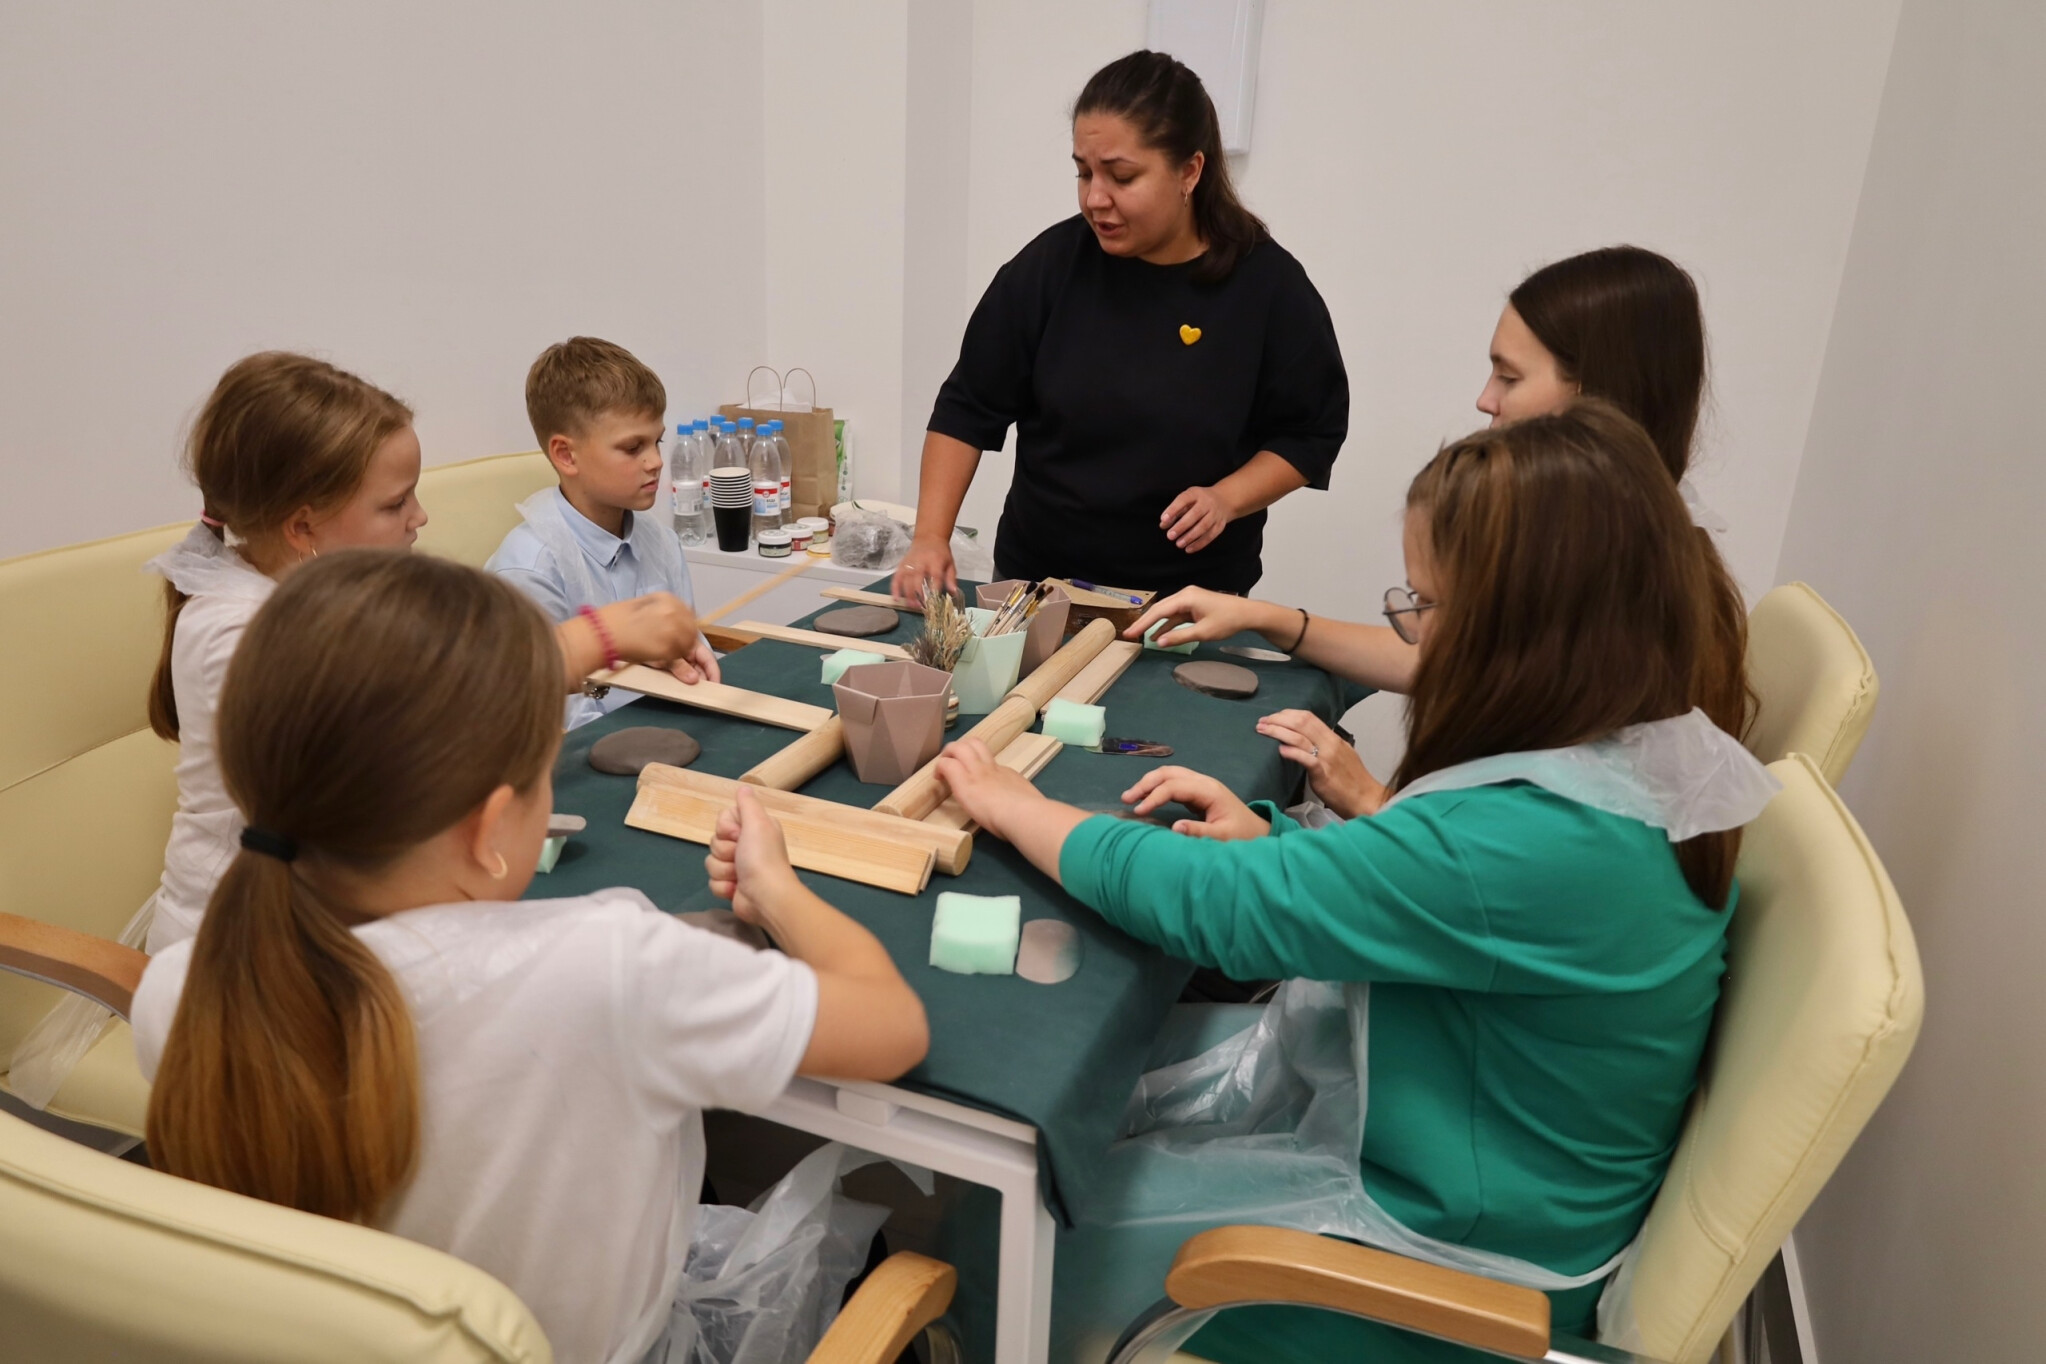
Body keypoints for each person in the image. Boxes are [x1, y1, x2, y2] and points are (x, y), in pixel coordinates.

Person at [932, 403, 1778, 1362]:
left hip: (1449, 1272)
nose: (1412, 634)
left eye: (1426, 606)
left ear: (1525, 631)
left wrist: (1015, 806)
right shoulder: (1644, 760)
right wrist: (1277, 841)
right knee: (1094, 1088)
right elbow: (1429, 898)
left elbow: (1222, 908)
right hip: (1471, 1160)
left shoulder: (1535, 838)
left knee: (1005, 1230)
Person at [133, 552, 929, 1364]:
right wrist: (777, 889)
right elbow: (893, 1028)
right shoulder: (606, 965)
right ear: (488, 832)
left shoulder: (181, 990)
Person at [7, 353, 710, 1108]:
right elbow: (412, 708)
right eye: (395, 503)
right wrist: (595, 637)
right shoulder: (235, 634)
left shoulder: (327, 594)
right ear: (303, 526)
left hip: (344, 931)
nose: (420, 518)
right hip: (253, 976)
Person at [1128, 245, 1750, 820]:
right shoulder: (1632, 553)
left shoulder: (1624, 596)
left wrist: (1374, 802)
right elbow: (1454, 662)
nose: (1485, 400)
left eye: (1509, 377)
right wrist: (1268, 618)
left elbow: (1503, 850)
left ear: (1593, 402)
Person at [891, 49, 1347, 602]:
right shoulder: (1049, 269)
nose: (1095, 198)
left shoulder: (1268, 287)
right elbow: (967, 407)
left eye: (1122, 176)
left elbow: (1309, 433)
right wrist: (930, 536)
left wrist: (1227, 498)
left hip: (1189, 603)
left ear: (1190, 171)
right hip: (1039, 588)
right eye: (1084, 173)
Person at [486, 335, 721, 729]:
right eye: (632, 448)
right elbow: (559, 721)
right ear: (566, 455)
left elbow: (689, 651)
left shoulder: (661, 541)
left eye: (657, 441)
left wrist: (698, 663)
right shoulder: (529, 570)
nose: (656, 461)